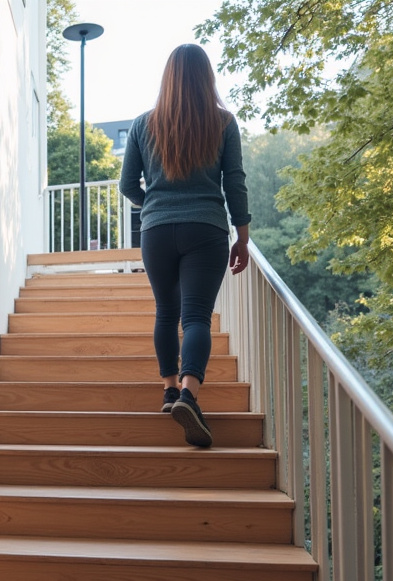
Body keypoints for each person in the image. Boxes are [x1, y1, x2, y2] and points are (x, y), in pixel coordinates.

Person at [118, 42, 250, 448]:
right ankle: (190, 394)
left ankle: (170, 391)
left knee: (165, 312)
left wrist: (153, 205)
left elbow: (127, 186)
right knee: (196, 317)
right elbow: (234, 181)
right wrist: (242, 235)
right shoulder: (223, 123)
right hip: (206, 229)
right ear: (206, 78)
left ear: (168, 78)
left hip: (156, 232)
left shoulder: (142, 124)